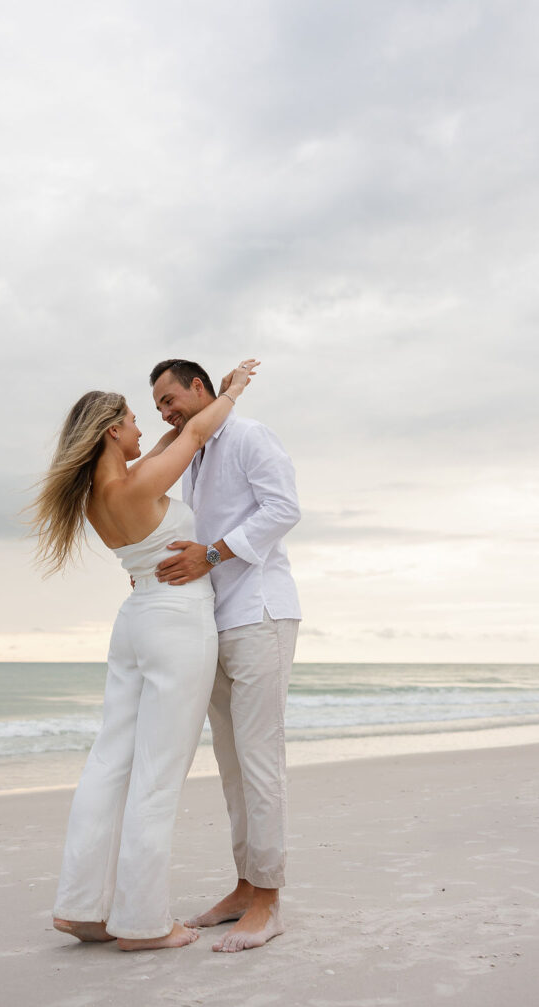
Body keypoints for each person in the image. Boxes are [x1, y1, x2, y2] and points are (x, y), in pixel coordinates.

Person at [28, 359, 259, 952]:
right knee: (157, 775)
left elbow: (169, 441)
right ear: (110, 431)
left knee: (110, 764)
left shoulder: (98, 495)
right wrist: (232, 389)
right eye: (133, 418)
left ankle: (83, 908)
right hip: (175, 622)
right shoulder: (138, 482)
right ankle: (143, 921)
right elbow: (196, 435)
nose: (143, 426)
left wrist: (175, 426)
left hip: (133, 624)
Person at [149, 359, 301, 953]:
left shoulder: (248, 435)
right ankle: (244, 888)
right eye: (157, 406)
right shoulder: (198, 456)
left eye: (170, 398)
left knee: (261, 762)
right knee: (233, 766)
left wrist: (210, 556)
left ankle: (269, 902)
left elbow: (283, 509)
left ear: (199, 387)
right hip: (212, 620)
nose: (166, 411)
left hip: (260, 613)